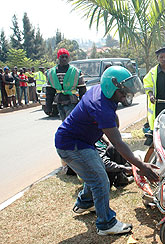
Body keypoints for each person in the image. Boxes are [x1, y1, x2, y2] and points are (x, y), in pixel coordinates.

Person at [55, 66, 159, 235]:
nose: (125, 95)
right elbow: (118, 143)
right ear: (113, 85)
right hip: (72, 146)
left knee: (93, 171)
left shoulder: (102, 91)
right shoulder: (101, 106)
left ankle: (85, 202)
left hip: (80, 141)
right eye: (123, 92)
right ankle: (106, 223)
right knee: (100, 179)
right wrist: (142, 166)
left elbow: (111, 117)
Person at [46, 48, 86, 121]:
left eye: (66, 57)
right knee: (64, 122)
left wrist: (84, 105)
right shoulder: (52, 73)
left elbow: (82, 90)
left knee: (70, 123)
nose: (64, 59)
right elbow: (49, 92)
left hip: (72, 102)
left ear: (69, 58)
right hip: (59, 102)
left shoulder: (76, 72)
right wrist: (48, 106)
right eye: (62, 57)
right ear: (58, 58)